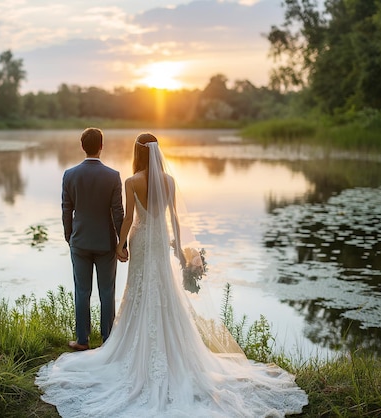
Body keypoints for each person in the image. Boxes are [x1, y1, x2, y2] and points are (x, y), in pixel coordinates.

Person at [36, 132, 308, 417]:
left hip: (141, 242)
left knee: (138, 290)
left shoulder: (131, 181)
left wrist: (121, 245)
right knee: (163, 290)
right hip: (160, 242)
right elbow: (175, 219)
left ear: (138, 153)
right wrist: (179, 251)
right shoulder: (169, 181)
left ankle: (104, 341)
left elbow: (128, 218)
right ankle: (151, 344)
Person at [61, 127, 125, 352]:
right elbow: (118, 213)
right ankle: (108, 339)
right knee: (107, 291)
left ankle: (82, 340)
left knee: (82, 291)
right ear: (101, 146)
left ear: (82, 146)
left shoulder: (69, 175)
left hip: (79, 241)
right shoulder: (113, 176)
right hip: (105, 242)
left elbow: (66, 209)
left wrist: (69, 235)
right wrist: (121, 244)